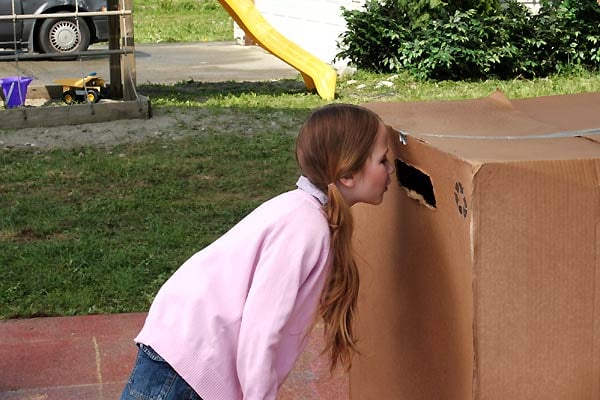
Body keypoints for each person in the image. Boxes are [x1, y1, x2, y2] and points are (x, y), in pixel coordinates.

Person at [119, 103, 395, 400]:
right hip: (185, 366)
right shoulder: (305, 226)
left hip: (187, 359)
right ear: (348, 175)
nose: (391, 169)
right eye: (383, 160)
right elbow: (260, 332)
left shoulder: (306, 214)